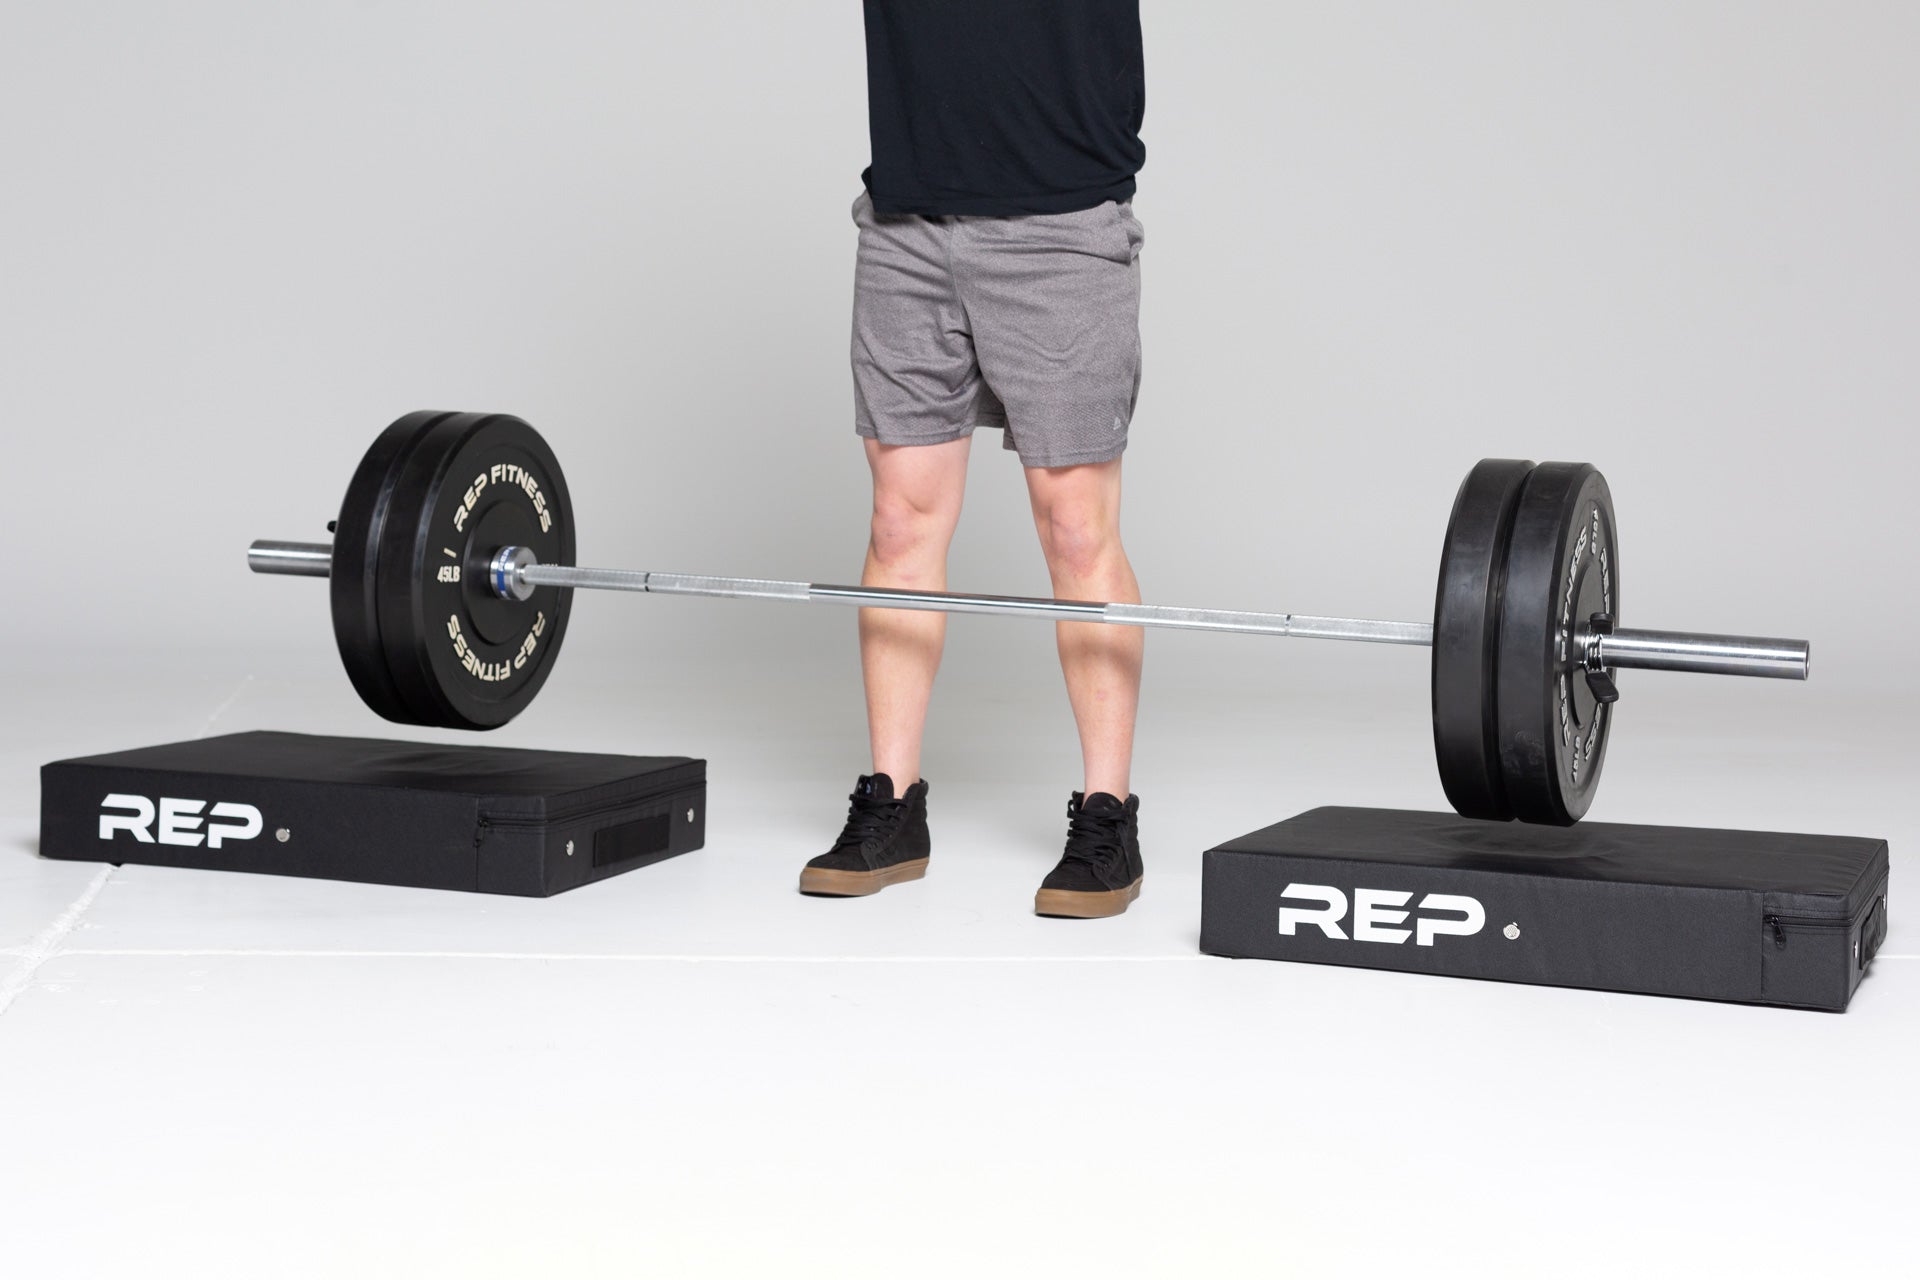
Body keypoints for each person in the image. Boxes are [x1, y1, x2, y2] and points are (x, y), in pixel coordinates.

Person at [799, 1, 1148, 918]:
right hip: (909, 220)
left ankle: (1108, 813)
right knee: (899, 517)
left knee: (1077, 530)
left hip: (1061, 221)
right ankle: (891, 802)